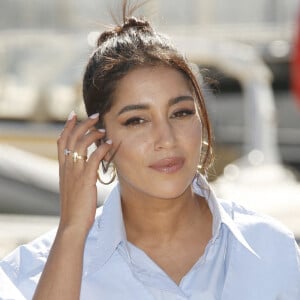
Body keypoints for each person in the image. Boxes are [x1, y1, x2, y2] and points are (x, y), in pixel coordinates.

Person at [1, 1, 300, 299]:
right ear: (97, 137)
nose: (166, 138)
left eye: (180, 113)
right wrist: (71, 231)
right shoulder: (28, 273)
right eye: (137, 120)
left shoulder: (272, 250)